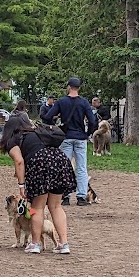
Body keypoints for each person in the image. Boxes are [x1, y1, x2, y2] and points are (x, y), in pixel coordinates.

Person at [0, 116, 74, 254]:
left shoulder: (13, 140)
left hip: (40, 163)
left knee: (37, 207)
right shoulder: (37, 132)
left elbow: (19, 162)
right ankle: (63, 244)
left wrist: (21, 185)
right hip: (60, 160)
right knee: (56, 206)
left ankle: (35, 244)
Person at [43, 77, 97, 206]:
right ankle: (81, 196)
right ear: (79, 88)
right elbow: (92, 120)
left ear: (68, 87)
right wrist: (87, 133)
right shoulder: (84, 103)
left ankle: (65, 196)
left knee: (64, 167)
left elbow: (48, 117)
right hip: (80, 138)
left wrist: (56, 127)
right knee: (81, 167)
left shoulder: (61, 102)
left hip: (66, 137)